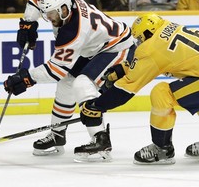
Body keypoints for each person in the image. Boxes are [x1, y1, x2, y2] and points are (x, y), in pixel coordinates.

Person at [3, 0, 136, 162]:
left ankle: (100, 139)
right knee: (66, 82)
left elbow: (55, 71)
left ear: (63, 10)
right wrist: (28, 23)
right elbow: (36, 0)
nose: (48, 18)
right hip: (95, 47)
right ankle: (57, 134)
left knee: (82, 84)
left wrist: (26, 78)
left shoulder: (73, 31)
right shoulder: (63, 0)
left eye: (51, 14)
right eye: (47, 13)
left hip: (119, 48)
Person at [79, 12, 199, 164]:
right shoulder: (169, 27)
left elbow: (126, 89)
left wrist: (96, 106)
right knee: (190, 91)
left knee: (162, 93)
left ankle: (162, 148)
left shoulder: (151, 48)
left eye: (139, 39)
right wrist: (124, 68)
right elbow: (159, 61)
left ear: (147, 34)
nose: (139, 43)